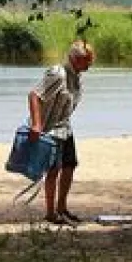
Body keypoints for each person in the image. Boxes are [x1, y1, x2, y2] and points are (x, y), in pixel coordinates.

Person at [27, 40, 95, 225]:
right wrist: (36, 124)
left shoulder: (77, 77)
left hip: (65, 127)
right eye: (87, 60)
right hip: (50, 129)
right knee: (53, 169)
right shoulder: (58, 74)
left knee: (70, 165)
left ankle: (62, 208)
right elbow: (34, 95)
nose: (90, 64)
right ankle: (51, 213)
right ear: (76, 58)